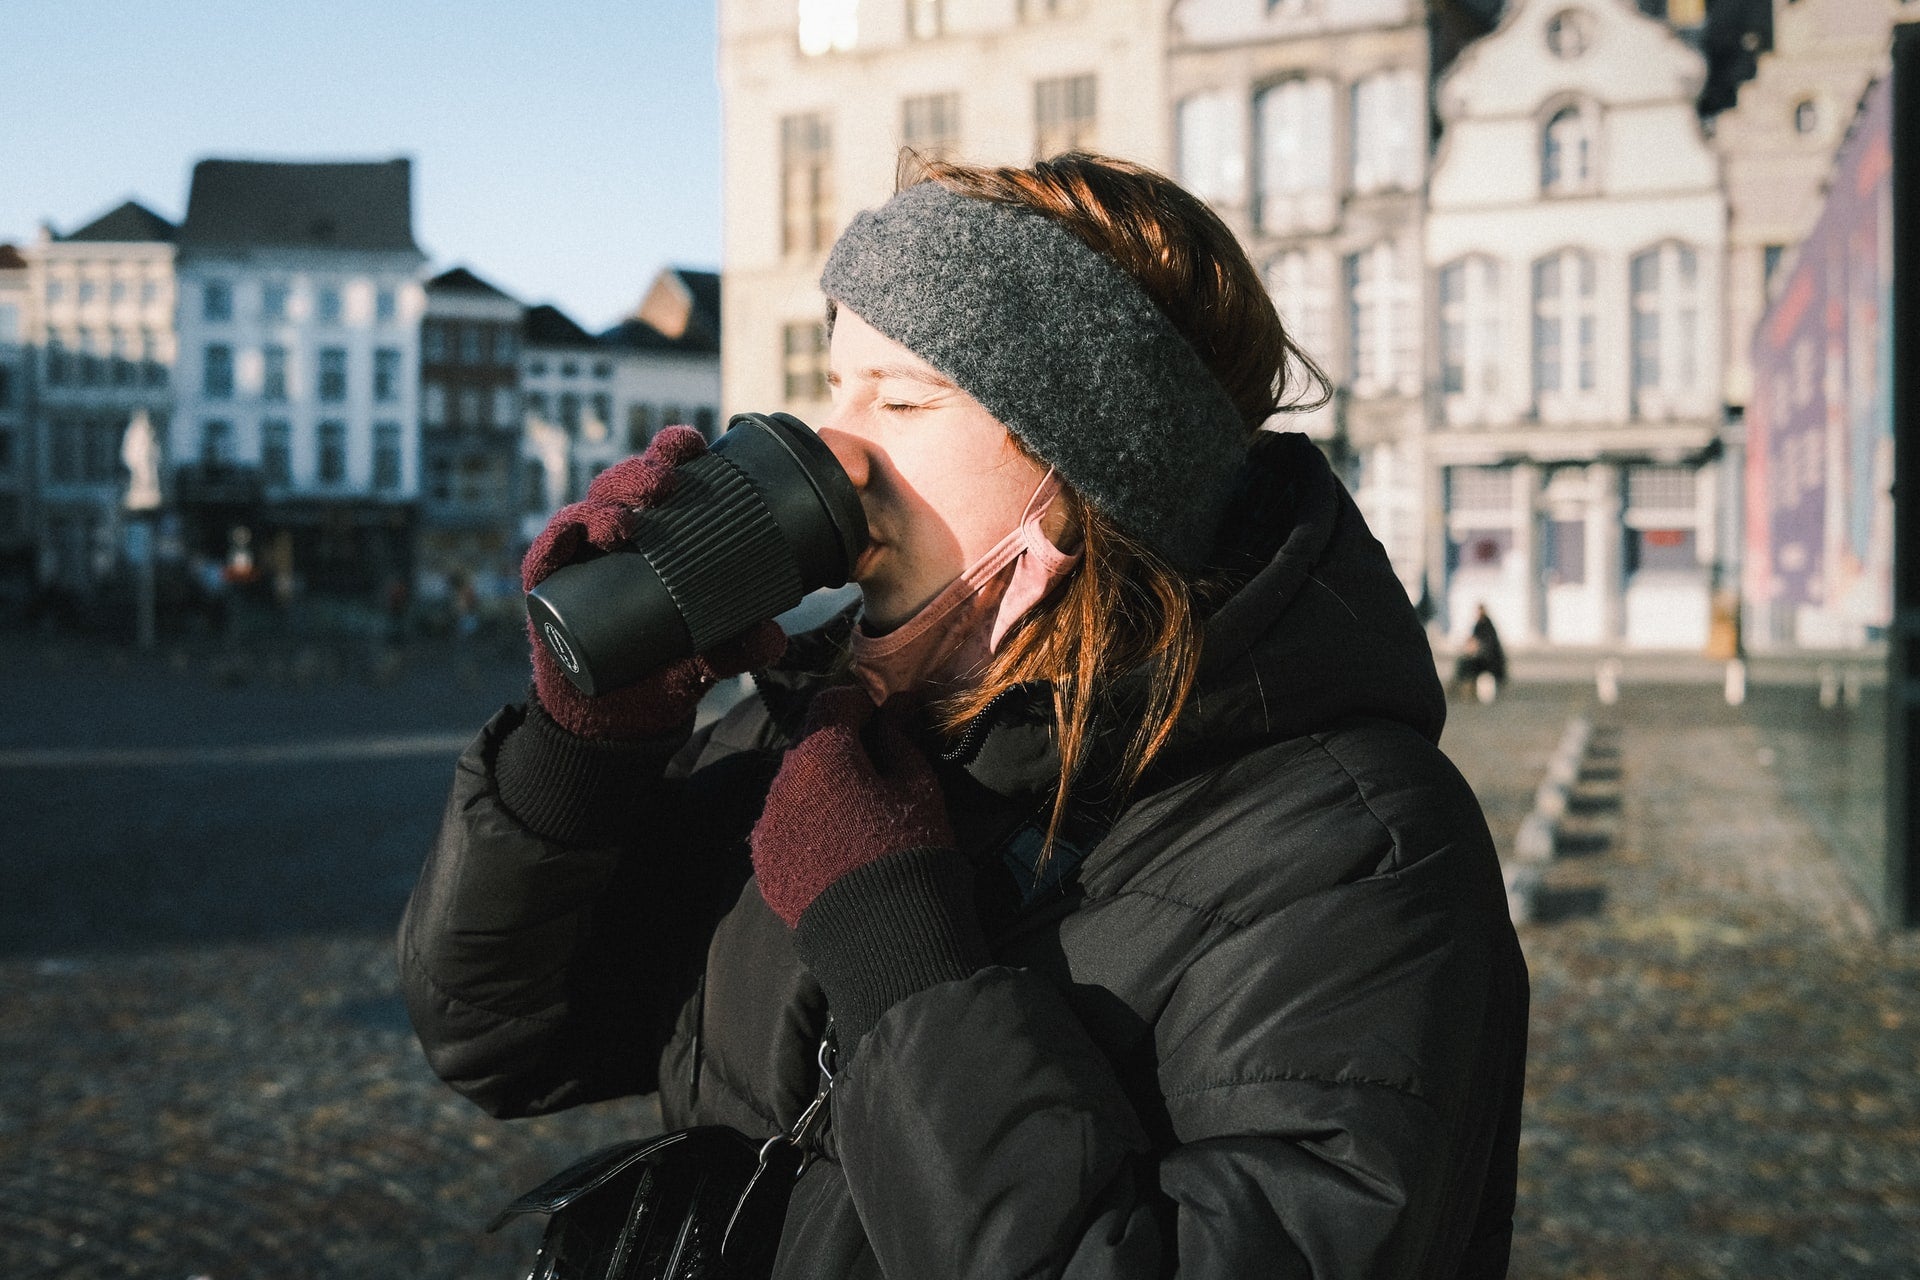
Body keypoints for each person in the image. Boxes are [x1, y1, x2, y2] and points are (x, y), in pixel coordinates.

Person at [399, 154, 1528, 1279]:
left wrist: (901, 954)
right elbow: (499, 1038)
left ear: (1089, 474)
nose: (835, 449)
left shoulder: (1358, 846)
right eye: (835, 387)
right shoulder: (831, 736)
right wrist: (588, 749)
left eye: (902, 399)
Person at [1454, 604, 1508, 703]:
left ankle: (1466, 688)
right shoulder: (1480, 625)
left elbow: (1489, 644)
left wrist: (1476, 649)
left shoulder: (1487, 625)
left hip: (1488, 659)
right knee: (1464, 662)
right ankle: (1464, 687)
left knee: (1467, 663)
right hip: (1482, 656)